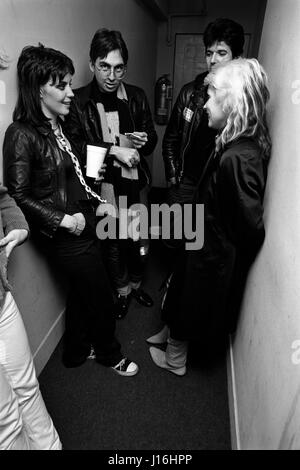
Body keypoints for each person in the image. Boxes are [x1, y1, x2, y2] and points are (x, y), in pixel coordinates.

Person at [3, 45, 138, 377]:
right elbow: (19, 195)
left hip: (83, 216)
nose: (68, 93)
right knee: (102, 294)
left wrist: (98, 185)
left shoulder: (60, 125)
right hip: (64, 231)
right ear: (38, 90)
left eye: (68, 84)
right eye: (61, 85)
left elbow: (77, 170)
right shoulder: (21, 134)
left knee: (80, 290)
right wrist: (64, 220)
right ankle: (110, 354)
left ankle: (76, 351)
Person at [148, 58, 271, 376]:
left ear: (233, 104)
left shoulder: (239, 157)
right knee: (177, 289)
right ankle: (169, 337)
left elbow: (250, 229)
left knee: (188, 303)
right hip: (200, 238)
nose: (205, 104)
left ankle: (175, 361)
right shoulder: (231, 143)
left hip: (209, 252)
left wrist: (216, 242)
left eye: (214, 97)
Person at [64, 28, 158, 320]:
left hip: (135, 183)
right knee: (114, 241)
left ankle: (136, 283)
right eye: (104, 66)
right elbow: (75, 146)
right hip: (102, 186)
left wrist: (145, 140)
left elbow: (152, 139)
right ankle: (122, 291)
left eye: (118, 68)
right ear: (92, 64)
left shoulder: (137, 96)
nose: (111, 75)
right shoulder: (78, 101)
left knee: (139, 238)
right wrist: (113, 150)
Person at [0, 53, 61, 450]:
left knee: (27, 386)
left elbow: (5, 196)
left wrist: (18, 227)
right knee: (5, 422)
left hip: (1, 298)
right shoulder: (20, 132)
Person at [163, 18, 245, 210]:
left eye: (221, 53)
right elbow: (171, 138)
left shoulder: (242, 100)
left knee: (199, 236)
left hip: (215, 185)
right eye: (209, 53)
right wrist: (173, 174)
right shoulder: (189, 92)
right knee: (169, 233)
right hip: (185, 181)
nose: (213, 60)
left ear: (237, 57)